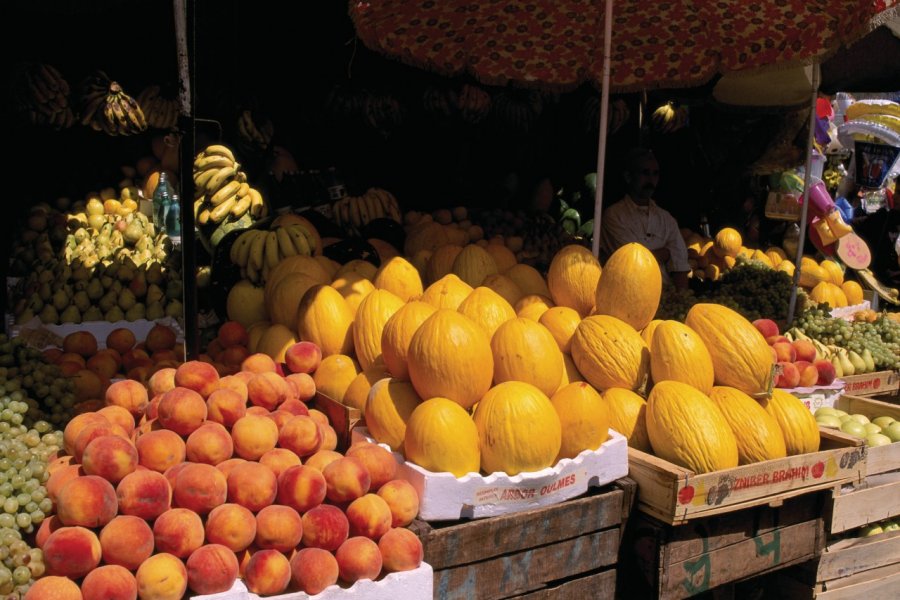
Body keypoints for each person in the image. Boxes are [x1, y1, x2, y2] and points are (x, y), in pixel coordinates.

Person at [600, 147, 690, 289]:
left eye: (655, 174)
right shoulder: (614, 216)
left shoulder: (667, 219)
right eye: (645, 173)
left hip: (665, 296)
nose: (651, 180)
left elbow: (680, 266)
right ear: (628, 177)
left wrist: (682, 299)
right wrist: (665, 253)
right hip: (627, 294)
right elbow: (633, 262)